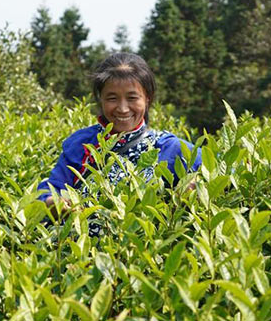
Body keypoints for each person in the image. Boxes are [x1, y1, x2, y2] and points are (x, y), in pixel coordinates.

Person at [38, 53, 201, 235]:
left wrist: (194, 187)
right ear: (101, 99)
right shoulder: (81, 144)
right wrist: (54, 202)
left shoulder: (170, 148)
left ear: (147, 99)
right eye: (112, 98)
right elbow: (50, 189)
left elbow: (225, 174)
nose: (123, 108)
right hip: (79, 257)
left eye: (132, 98)